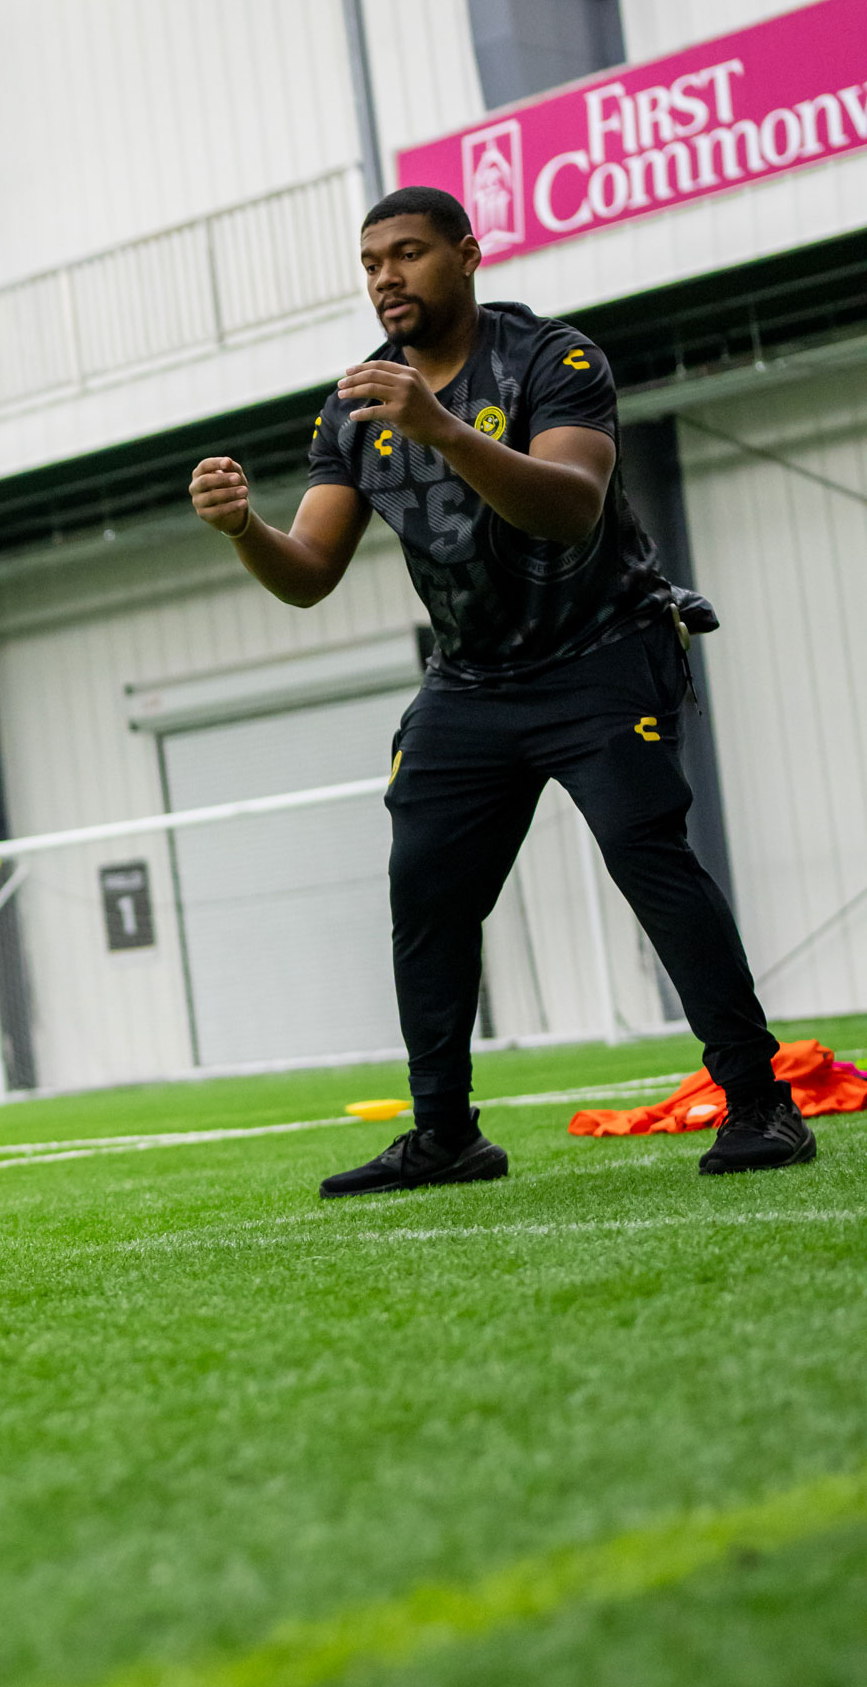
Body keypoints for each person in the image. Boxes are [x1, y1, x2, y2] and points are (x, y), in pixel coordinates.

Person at [189, 183, 808, 1197]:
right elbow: (308, 575)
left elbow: (569, 509)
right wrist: (244, 529)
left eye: (410, 253)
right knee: (425, 886)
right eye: (372, 261)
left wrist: (440, 429)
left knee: (647, 855)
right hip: (472, 679)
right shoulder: (356, 408)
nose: (388, 276)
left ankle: (760, 1104)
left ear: (467, 256)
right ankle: (445, 1136)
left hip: (602, 654)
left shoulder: (554, 360)